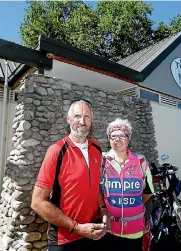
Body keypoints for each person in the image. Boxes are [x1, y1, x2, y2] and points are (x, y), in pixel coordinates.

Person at [31, 99, 107, 251]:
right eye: (77, 116)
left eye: (87, 117)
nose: (82, 121)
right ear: (68, 119)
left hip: (93, 233)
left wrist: (103, 208)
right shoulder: (56, 150)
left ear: (92, 121)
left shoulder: (97, 148)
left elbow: (94, 184)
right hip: (64, 239)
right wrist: (76, 227)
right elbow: (37, 202)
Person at [99, 118, 154, 250]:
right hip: (109, 230)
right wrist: (102, 208)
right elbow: (97, 190)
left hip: (135, 231)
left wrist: (132, 208)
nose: (117, 140)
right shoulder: (102, 162)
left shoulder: (141, 162)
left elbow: (147, 193)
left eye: (121, 136)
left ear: (128, 138)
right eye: (113, 136)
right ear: (109, 139)